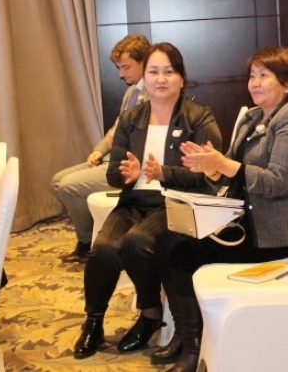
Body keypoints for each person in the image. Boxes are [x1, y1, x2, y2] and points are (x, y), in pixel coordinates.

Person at [151, 46, 288, 372]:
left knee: (181, 251)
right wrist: (210, 167)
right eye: (252, 76)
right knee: (164, 239)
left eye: (264, 76)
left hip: (273, 233)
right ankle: (184, 335)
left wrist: (222, 164)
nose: (254, 83)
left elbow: (277, 182)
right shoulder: (255, 117)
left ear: (287, 83)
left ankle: (193, 346)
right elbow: (231, 169)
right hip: (245, 219)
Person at [72, 42, 221, 359]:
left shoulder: (198, 117)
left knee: (137, 243)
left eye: (169, 72)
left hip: (174, 203)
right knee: (102, 250)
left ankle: (150, 313)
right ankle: (93, 323)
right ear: (146, 78)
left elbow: (208, 176)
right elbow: (113, 172)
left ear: (181, 77)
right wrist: (124, 175)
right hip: (134, 202)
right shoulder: (130, 118)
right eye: (154, 72)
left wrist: (163, 172)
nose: (161, 79)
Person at [53, 34, 151, 264]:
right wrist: (99, 150)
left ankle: (87, 244)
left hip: (131, 167)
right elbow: (116, 129)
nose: (121, 74)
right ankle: (93, 237)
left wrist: (116, 143)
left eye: (126, 67)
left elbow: (139, 138)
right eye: (119, 68)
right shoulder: (132, 92)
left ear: (144, 62)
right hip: (114, 157)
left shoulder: (153, 94)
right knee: (57, 181)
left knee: (68, 187)